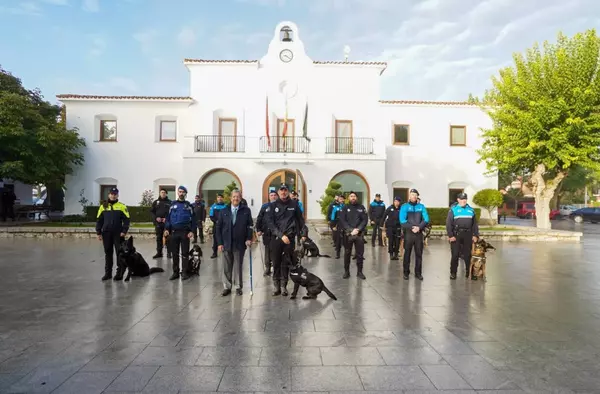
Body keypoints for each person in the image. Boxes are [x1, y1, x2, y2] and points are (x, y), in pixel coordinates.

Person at [264, 183, 307, 296]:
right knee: (276, 262)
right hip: (277, 238)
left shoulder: (294, 204)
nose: (283, 192)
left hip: (290, 238)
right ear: (278, 192)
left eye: (285, 190)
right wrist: (280, 235)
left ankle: (284, 286)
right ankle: (276, 286)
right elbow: (270, 223)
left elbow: (300, 220)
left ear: (288, 191)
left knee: (286, 263)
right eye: (281, 190)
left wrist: (303, 233)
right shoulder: (272, 206)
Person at [215, 189, 254, 296]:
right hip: (226, 242)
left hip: (240, 243)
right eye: (234, 197)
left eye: (237, 197)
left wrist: (249, 238)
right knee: (226, 267)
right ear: (230, 198)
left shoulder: (246, 210)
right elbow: (218, 228)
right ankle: (227, 286)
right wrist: (219, 243)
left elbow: (250, 226)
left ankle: (238, 287)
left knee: (238, 266)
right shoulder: (224, 211)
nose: (235, 198)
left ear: (240, 198)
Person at [95, 188, 130, 281]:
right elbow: (99, 220)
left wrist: (124, 231)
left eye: (115, 194)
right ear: (108, 195)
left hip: (118, 234)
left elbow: (127, 220)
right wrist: (98, 232)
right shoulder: (103, 206)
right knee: (108, 253)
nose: (113, 195)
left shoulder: (122, 206)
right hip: (106, 233)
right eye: (111, 194)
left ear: (117, 195)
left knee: (119, 253)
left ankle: (119, 273)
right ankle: (108, 273)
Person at [164, 186, 196, 280]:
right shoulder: (172, 205)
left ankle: (184, 272)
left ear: (185, 194)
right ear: (177, 193)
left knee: (185, 253)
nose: (181, 193)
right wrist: (166, 229)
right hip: (174, 232)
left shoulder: (189, 206)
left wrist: (192, 231)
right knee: (175, 253)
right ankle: (175, 272)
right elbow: (168, 219)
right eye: (180, 192)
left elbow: (193, 220)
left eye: (183, 192)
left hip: (185, 233)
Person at [446, 192, 479, 280]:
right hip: (456, 235)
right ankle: (453, 273)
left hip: (468, 234)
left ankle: (470, 272)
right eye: (461, 199)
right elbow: (449, 224)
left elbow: (475, 224)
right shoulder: (453, 210)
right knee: (455, 255)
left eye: (465, 199)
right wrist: (450, 235)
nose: (463, 201)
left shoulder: (471, 210)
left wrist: (475, 235)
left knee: (468, 255)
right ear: (458, 200)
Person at [399, 189, 429, 281]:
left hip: (419, 234)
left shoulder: (421, 207)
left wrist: (419, 227)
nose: (414, 196)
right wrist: (413, 227)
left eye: (415, 195)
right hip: (409, 234)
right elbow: (402, 220)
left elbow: (426, 219)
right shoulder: (404, 207)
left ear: (417, 196)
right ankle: (406, 272)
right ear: (409, 196)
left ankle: (418, 273)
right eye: (412, 195)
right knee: (407, 254)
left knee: (419, 254)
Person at [339, 191, 368, 279]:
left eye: (354, 196)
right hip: (348, 234)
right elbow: (342, 220)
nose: (353, 198)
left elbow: (365, 220)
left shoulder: (361, 207)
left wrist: (358, 229)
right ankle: (346, 272)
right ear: (349, 198)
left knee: (360, 254)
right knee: (347, 253)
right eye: (351, 196)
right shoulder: (345, 207)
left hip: (359, 234)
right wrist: (351, 230)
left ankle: (359, 272)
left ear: (357, 198)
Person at [256, 188, 278, 276]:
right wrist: (258, 229)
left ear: (277, 196)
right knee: (267, 250)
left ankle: (276, 268)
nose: (273, 197)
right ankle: (268, 268)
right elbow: (260, 218)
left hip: (276, 233)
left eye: (274, 195)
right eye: (271, 195)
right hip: (267, 232)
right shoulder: (265, 206)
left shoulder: (280, 205)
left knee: (276, 251)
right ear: (269, 197)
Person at [151, 188, 171, 259]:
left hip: (167, 223)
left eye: (164, 192)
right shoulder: (156, 202)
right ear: (160, 193)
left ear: (166, 194)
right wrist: (156, 218)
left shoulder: (170, 202)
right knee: (159, 238)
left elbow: (172, 213)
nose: (163, 193)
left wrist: (167, 219)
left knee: (168, 238)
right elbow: (152, 212)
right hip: (158, 224)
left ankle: (169, 253)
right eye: (161, 192)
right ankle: (159, 253)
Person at [327, 193, 344, 259]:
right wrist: (333, 225)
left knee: (346, 240)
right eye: (340, 199)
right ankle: (338, 253)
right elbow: (333, 217)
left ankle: (348, 252)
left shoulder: (346, 206)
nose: (341, 200)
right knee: (338, 239)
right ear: (338, 199)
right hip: (337, 225)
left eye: (342, 199)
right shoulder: (335, 207)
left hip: (345, 225)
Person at [209, 194, 227, 258]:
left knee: (225, 239)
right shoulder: (213, 206)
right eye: (218, 197)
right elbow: (211, 216)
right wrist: (216, 221)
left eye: (221, 197)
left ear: (223, 198)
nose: (219, 198)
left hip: (224, 226)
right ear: (217, 199)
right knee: (216, 239)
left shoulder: (226, 206)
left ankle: (226, 252)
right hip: (216, 226)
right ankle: (214, 252)